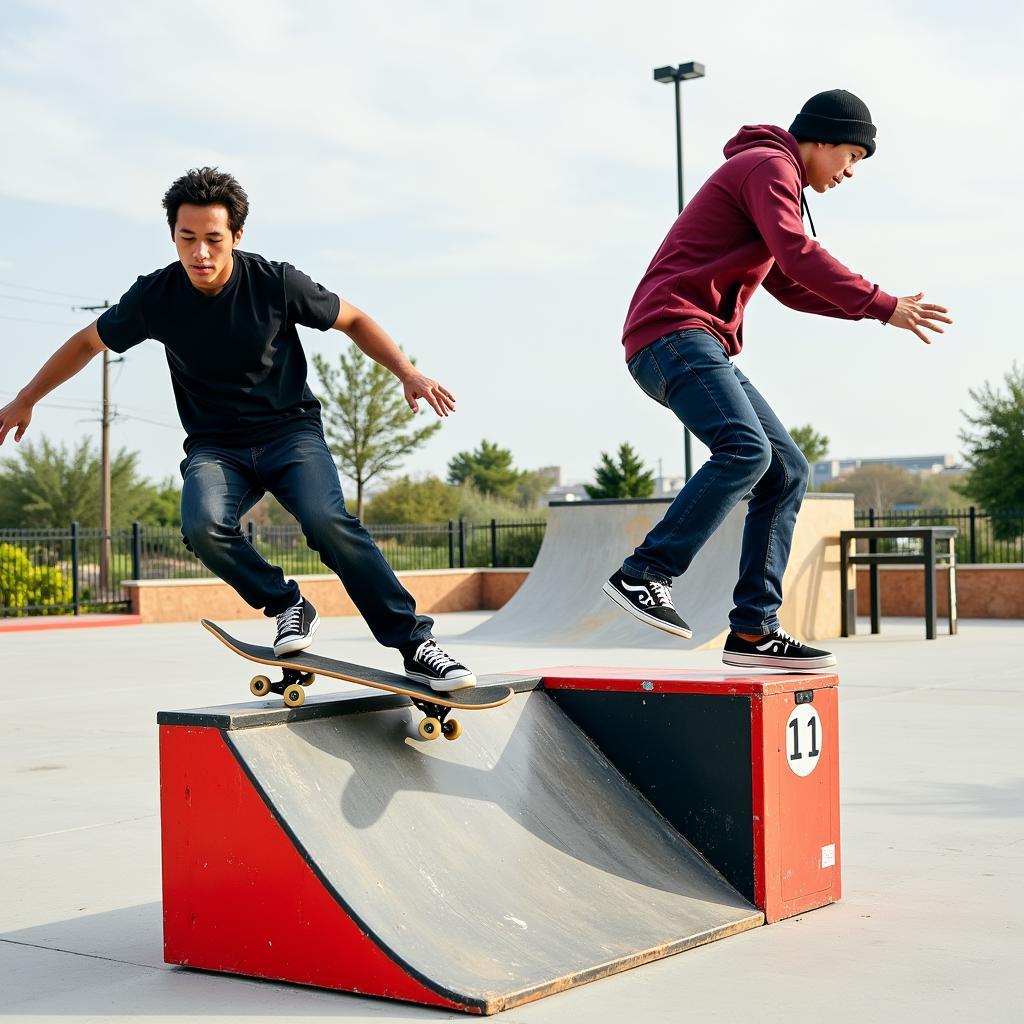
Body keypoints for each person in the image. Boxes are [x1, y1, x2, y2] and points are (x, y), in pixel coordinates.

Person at [0, 167, 476, 690]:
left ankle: (416, 645)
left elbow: (355, 320)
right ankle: (287, 602)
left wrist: (406, 371)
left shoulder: (275, 282)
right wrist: (26, 397)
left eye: (212, 239)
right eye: (188, 239)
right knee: (202, 525)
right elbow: (87, 342)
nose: (199, 254)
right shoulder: (155, 296)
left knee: (327, 521)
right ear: (173, 236)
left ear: (236, 236)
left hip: (290, 434)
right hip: (216, 448)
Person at [603, 90, 952, 670]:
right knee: (745, 450)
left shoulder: (774, 175)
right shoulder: (767, 166)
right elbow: (798, 255)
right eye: (852, 156)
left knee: (788, 467)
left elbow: (790, 285)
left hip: (696, 342)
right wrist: (882, 302)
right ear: (821, 139)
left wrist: (875, 311)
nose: (851, 172)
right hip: (672, 334)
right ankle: (645, 573)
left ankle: (753, 630)